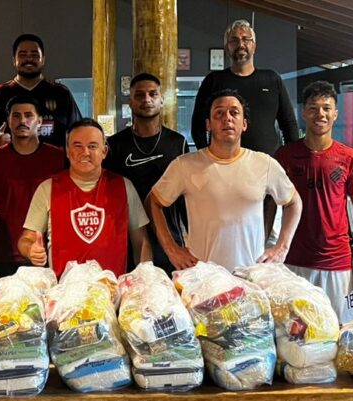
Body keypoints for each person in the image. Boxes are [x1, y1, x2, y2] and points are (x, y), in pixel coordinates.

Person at [148, 89, 301, 271]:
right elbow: (153, 201)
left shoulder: (264, 164)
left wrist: (282, 246)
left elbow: (294, 202)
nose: (227, 118)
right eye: (219, 113)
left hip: (250, 275)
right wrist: (171, 249)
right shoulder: (185, 165)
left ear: (244, 124)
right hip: (203, 276)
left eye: (234, 113)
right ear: (208, 124)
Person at [190, 19, 300, 247]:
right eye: (234, 40)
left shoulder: (272, 79)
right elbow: (198, 124)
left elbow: (289, 123)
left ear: (254, 46)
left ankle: (257, 264)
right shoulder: (214, 81)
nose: (240, 44)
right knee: (226, 230)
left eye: (246, 39)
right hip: (223, 170)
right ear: (227, 47)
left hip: (266, 171)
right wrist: (207, 159)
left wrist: (289, 163)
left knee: (261, 240)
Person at [274, 81, 353, 324]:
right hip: (293, 262)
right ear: (303, 113)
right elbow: (269, 207)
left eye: (326, 108)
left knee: (343, 331)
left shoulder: (349, 157)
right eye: (313, 108)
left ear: (335, 114)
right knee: (295, 332)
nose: (320, 114)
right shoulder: (285, 156)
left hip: (337, 263)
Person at [18, 119, 151, 277]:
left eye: (92, 146)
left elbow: (141, 241)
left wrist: (146, 277)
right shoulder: (48, 188)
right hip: (65, 288)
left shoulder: (124, 186)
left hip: (112, 288)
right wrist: (30, 250)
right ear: (68, 151)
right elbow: (26, 239)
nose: (85, 152)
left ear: (104, 151)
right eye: (77, 146)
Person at [103, 73, 188, 273]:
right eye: (139, 95)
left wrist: (191, 237)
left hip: (170, 239)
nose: (147, 99)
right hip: (127, 238)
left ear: (162, 100)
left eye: (152, 94)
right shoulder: (115, 145)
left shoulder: (177, 143)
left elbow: (186, 198)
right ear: (130, 102)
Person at [0, 95, 65, 278]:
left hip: (50, 255)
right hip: (5, 257)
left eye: (29, 115)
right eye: (16, 116)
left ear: (39, 121)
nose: (22, 121)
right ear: (8, 121)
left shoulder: (59, 159)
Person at [0, 34, 82, 149]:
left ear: (43, 60)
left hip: (54, 160)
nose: (29, 59)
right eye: (22, 55)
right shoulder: (0, 94)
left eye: (34, 54)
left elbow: (80, 131)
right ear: (14, 60)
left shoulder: (61, 93)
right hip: (10, 160)